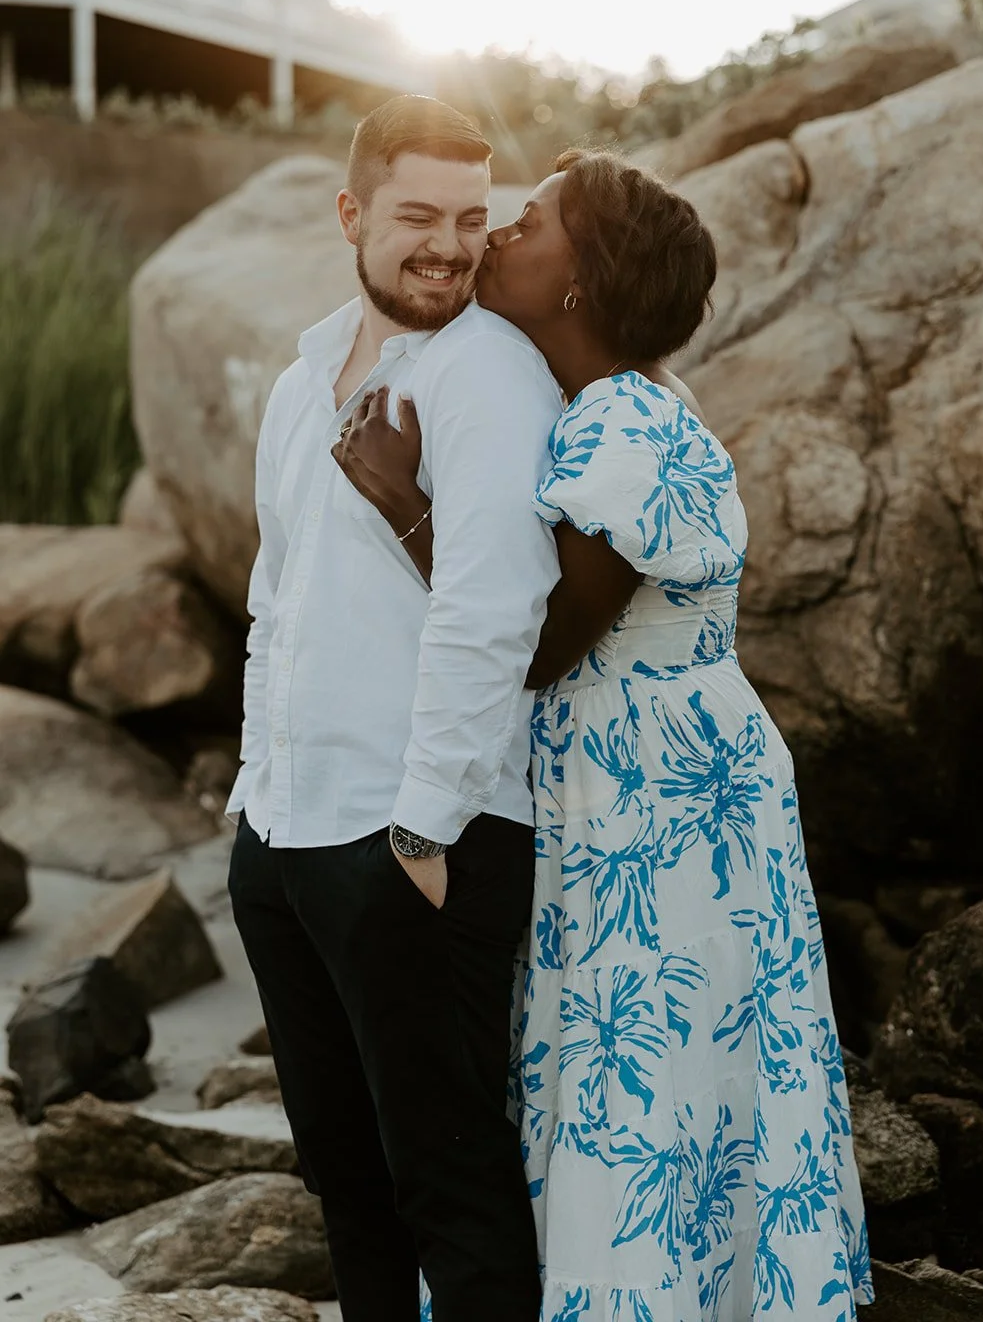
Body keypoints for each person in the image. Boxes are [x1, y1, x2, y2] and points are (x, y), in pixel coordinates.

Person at [335, 149, 874, 1322]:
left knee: (639, 1074)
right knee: (674, 1073)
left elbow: (538, 644)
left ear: (580, 284)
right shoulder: (621, 405)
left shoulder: (619, 422)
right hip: (663, 781)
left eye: (526, 226)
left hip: (658, 798)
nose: (496, 238)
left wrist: (402, 503)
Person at [226, 95, 561, 1322]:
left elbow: (493, 610)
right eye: (417, 214)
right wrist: (249, 809)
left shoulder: (487, 374)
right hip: (284, 835)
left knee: (453, 1188)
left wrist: (422, 826)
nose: (448, 245)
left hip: (412, 844)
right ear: (351, 213)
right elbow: (275, 604)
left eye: (472, 219)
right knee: (345, 1181)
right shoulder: (300, 380)